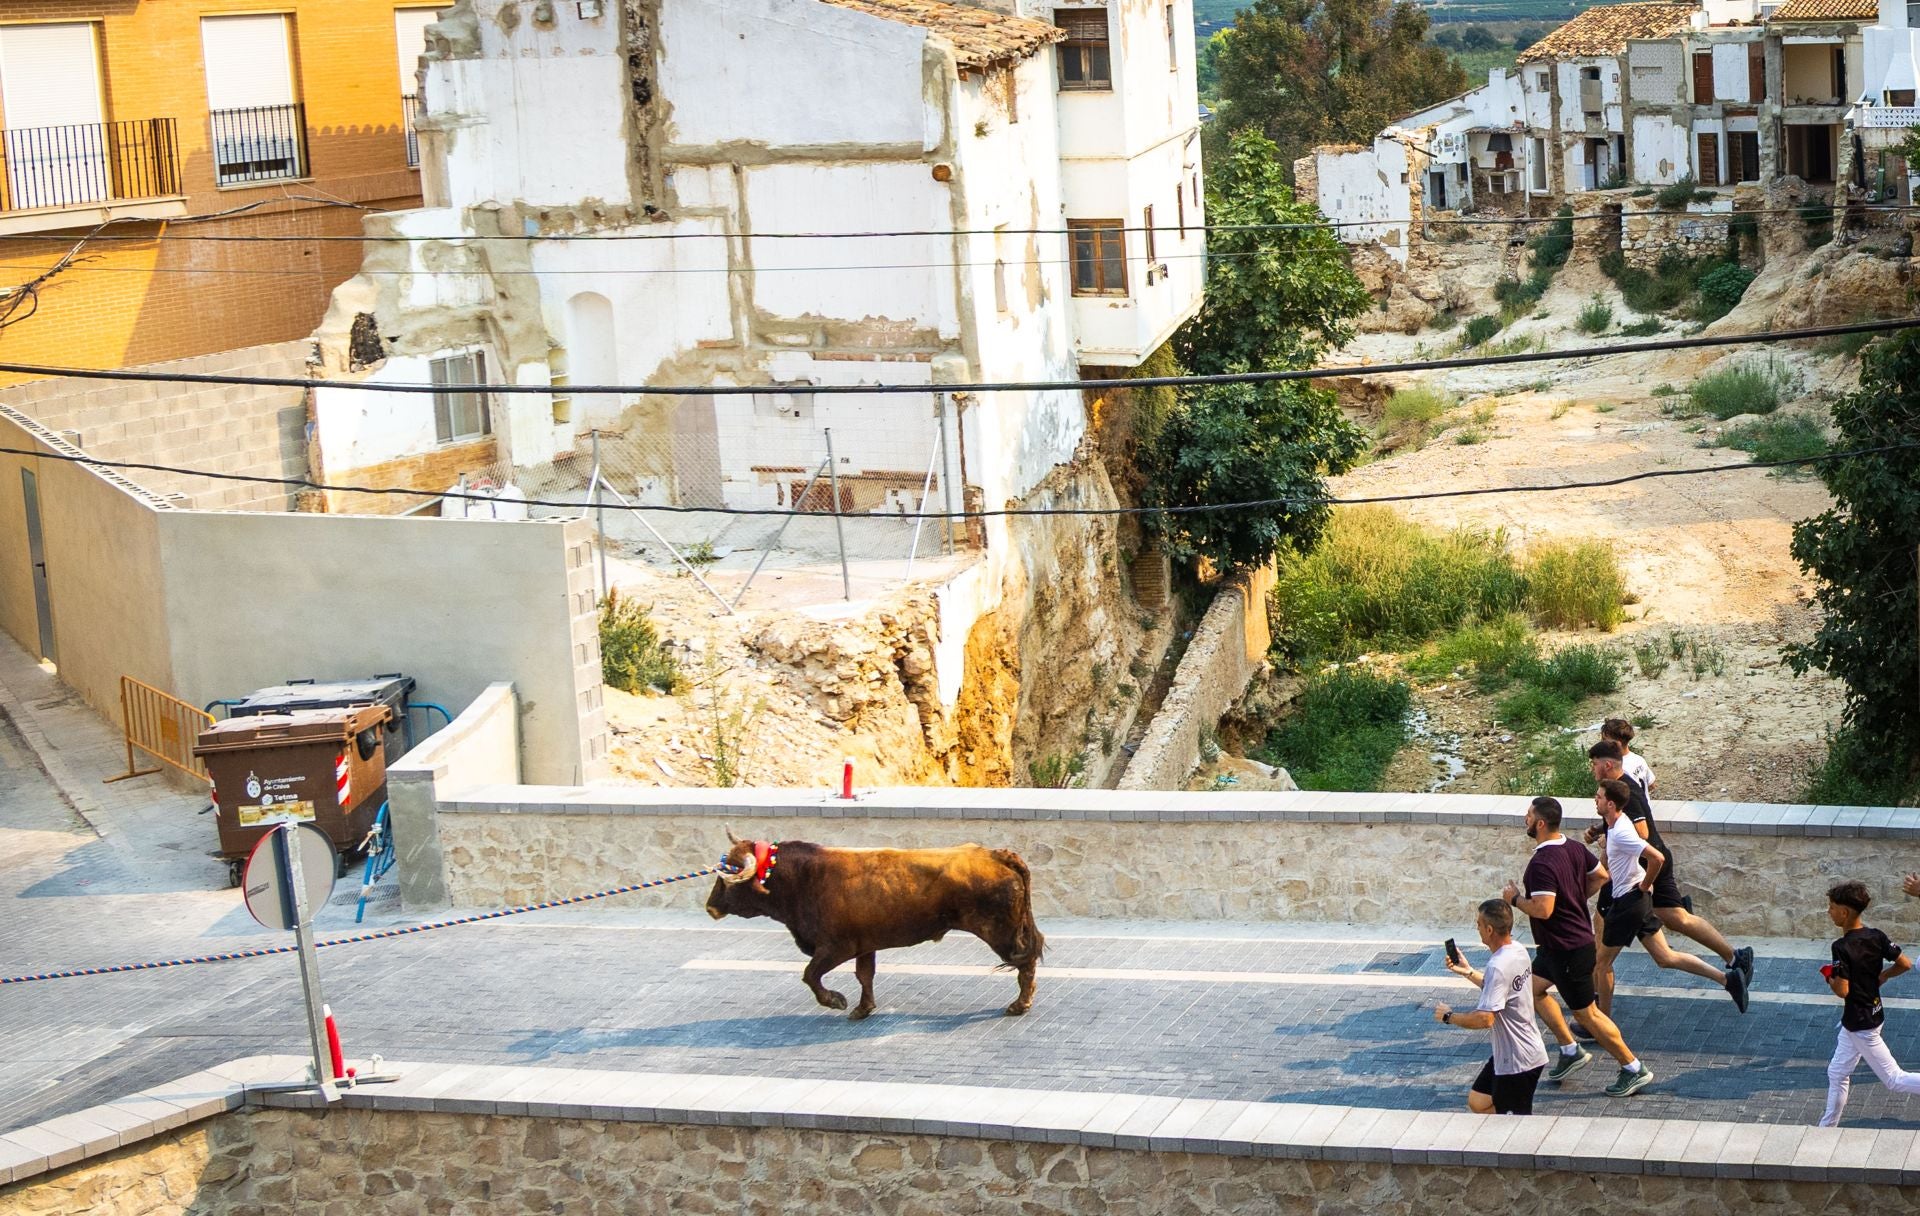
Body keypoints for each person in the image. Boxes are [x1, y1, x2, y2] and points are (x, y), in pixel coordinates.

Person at [1502, 795, 1653, 1097]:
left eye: (1529, 816)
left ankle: (1633, 1068)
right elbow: (1601, 875)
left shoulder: (1540, 864)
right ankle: (1570, 1049)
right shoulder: (1573, 847)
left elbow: (1543, 909)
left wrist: (1514, 900)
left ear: (1541, 823)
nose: (1525, 820)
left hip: (1568, 950)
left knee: (1588, 1015)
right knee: (1530, 989)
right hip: (1554, 949)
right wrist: (1573, 897)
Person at [1585, 739, 1754, 987]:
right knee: (1676, 919)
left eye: (1594, 764)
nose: (1592, 768)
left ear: (1607, 764)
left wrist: (1613, 843)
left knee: (1603, 919)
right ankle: (1735, 957)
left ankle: (1595, 989)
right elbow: (1627, 823)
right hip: (1644, 865)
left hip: (1641, 868)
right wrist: (1603, 829)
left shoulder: (1625, 791)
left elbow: (1641, 832)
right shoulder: (1620, 788)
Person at [1435, 897, 1550, 1115]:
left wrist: (1449, 1016)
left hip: (1518, 1061)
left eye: (1478, 924)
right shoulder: (1517, 950)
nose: (1477, 928)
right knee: (1478, 1101)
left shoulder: (1497, 966)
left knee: (1514, 1126)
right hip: (1514, 1052)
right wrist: (1468, 971)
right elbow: (1500, 991)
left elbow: (1485, 1019)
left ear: (1489, 929)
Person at [1819, 880, 1920, 1126]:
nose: (1829, 911)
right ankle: (1826, 1128)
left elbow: (1843, 990)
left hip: (1861, 1023)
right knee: (1837, 1072)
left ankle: (1826, 1128)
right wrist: (1883, 975)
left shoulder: (1841, 947)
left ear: (1844, 912)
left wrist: (1829, 978)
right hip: (1868, 1016)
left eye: (1832, 907)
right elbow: (1905, 963)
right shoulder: (1876, 936)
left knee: (1894, 1080)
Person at [1601, 718, 1654, 795]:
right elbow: (1651, 784)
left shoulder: (1618, 768)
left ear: (1617, 743)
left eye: (1604, 740)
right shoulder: (1639, 759)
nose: (1602, 744)